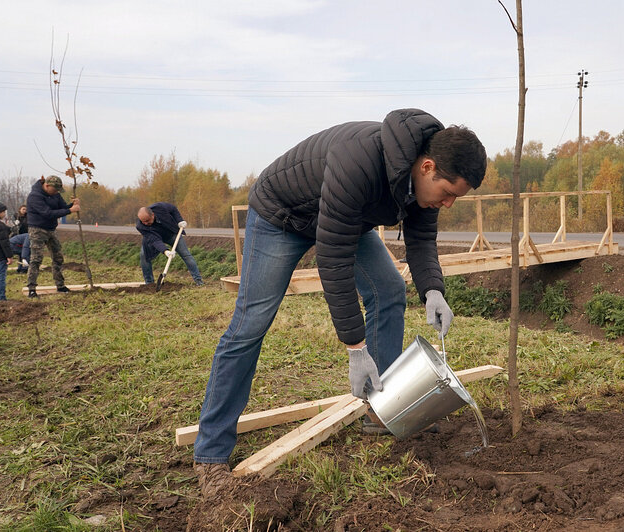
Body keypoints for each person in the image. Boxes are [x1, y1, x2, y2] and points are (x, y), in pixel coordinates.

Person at [193, 108, 487, 498]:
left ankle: (382, 410)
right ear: (428, 166)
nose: (449, 203)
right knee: (250, 325)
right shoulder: (360, 161)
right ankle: (210, 455)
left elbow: (420, 240)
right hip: (282, 215)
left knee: (388, 291)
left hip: (343, 219)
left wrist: (433, 290)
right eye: (448, 193)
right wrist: (356, 348)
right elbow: (332, 258)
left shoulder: (422, 180)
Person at [25, 175, 80, 298]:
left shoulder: (55, 194)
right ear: (47, 185)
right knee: (36, 259)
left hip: (51, 229)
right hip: (37, 230)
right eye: (54, 190)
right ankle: (32, 288)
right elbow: (47, 213)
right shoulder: (35, 196)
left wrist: (72, 205)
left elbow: (63, 208)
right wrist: (70, 210)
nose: (56, 192)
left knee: (58, 257)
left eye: (57, 191)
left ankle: (60, 285)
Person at [135, 203, 204, 286]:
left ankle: (198, 280)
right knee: (144, 255)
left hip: (171, 234)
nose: (145, 223)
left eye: (147, 221)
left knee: (186, 255)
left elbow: (173, 209)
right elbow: (154, 240)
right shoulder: (140, 226)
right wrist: (165, 251)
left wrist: (180, 220)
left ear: (152, 215)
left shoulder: (160, 207)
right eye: (143, 221)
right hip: (155, 237)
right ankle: (149, 283)